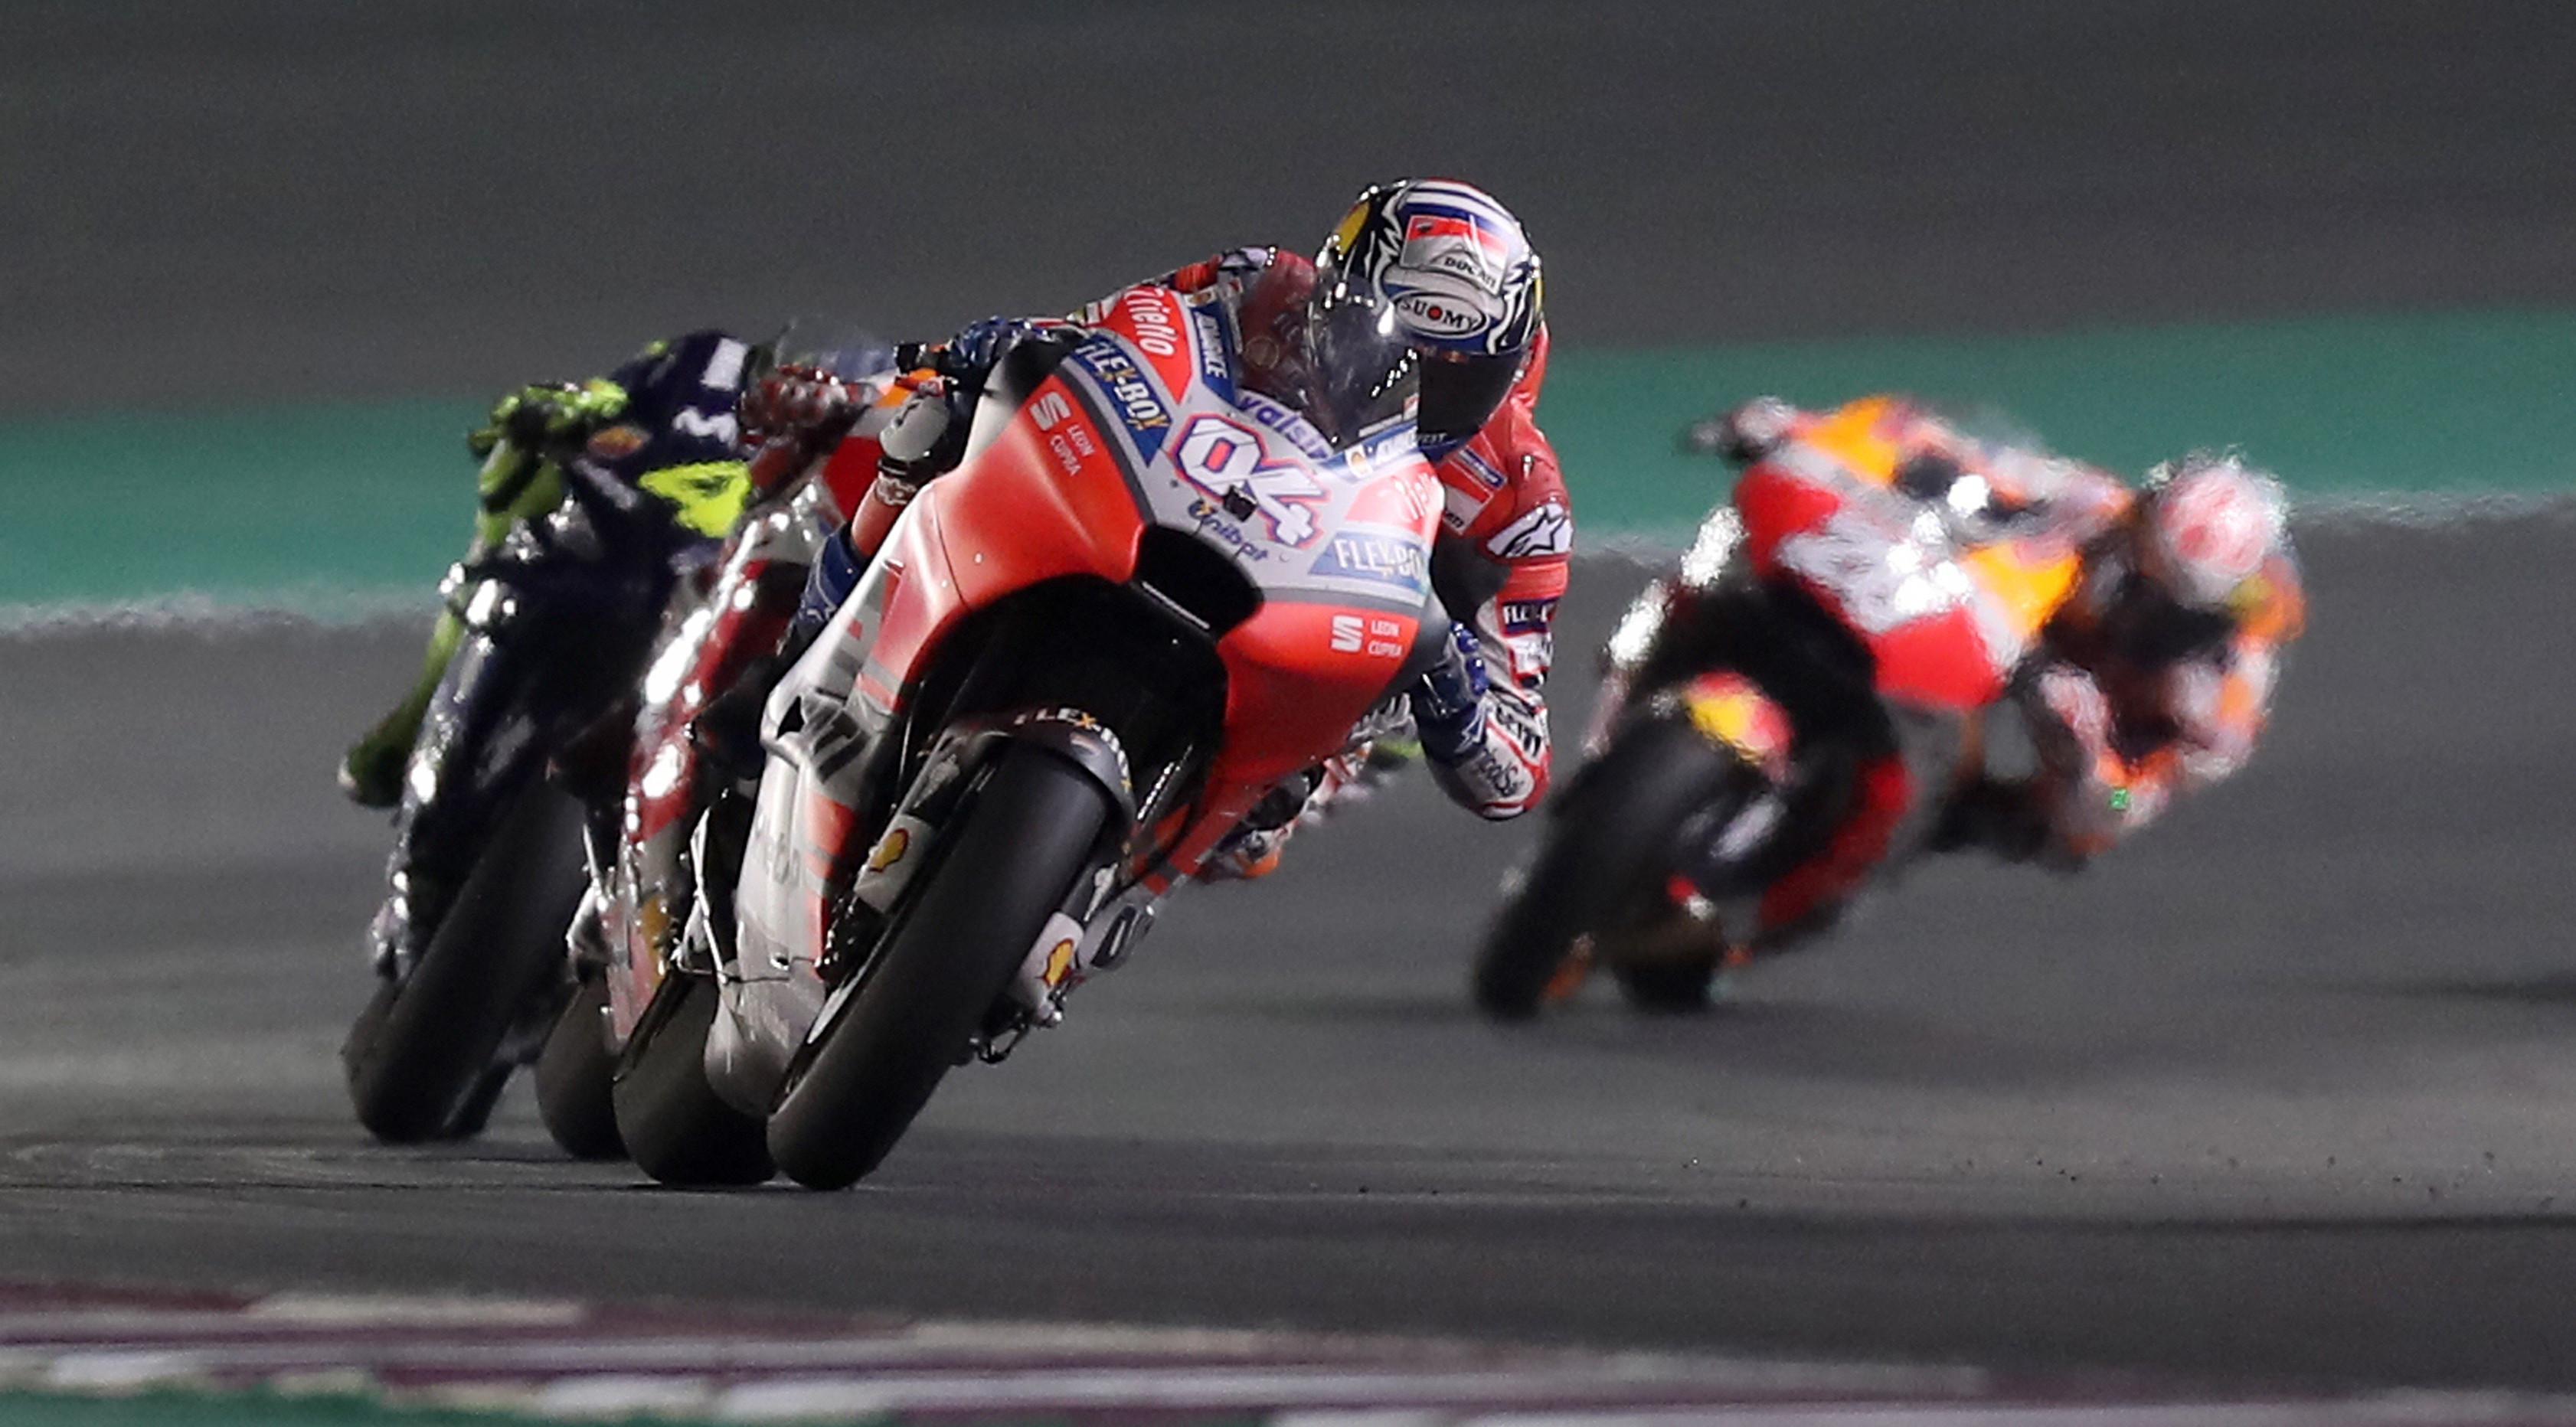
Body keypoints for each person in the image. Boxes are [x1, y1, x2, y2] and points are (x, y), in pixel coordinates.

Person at [725, 179, 1572, 857]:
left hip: (1310, 664)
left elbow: (1516, 771)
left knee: (1254, 834)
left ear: (1507, 367)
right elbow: (1090, 336)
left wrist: (1454, 691)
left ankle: (1086, 895)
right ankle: (794, 664)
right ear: (1332, 300)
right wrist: (936, 364)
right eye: (1389, 348)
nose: (1413, 386)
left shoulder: (1518, 501)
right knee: (936, 423)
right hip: (1161, 511)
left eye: (1455, 374)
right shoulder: (1255, 285)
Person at [1699, 398, 2306, 945]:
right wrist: (1806, 428)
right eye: (2135, 558)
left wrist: (2094, 758)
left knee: (2034, 824)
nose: (2130, 589)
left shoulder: (2218, 704)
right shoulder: (2096, 504)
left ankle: (1793, 899)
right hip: (2001, 627)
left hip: (2086, 734)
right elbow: (1947, 453)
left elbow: (2130, 804)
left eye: (2162, 600)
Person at [338, 327, 888, 807]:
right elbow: (607, 394)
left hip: (708, 588)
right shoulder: (702, 361)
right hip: (618, 545)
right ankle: (414, 722)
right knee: (515, 520)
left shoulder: (855, 432)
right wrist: (562, 410)